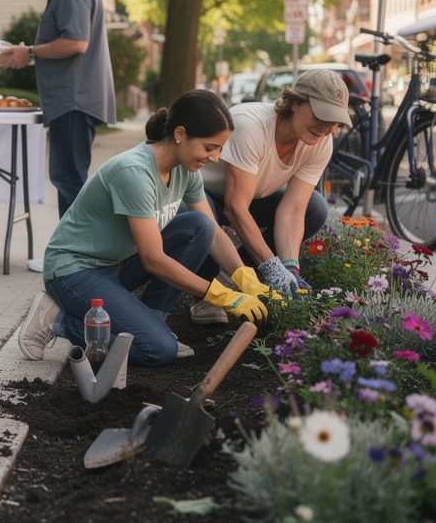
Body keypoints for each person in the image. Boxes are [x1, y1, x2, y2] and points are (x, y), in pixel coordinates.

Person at [17, 90, 274, 367]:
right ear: (180, 133)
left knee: (199, 226)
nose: (214, 158)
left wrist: (244, 278)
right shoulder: (134, 173)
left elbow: (212, 229)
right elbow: (153, 259)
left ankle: (152, 319)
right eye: (209, 147)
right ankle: (57, 321)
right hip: (75, 271)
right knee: (157, 350)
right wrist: (223, 296)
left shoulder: (186, 170)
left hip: (115, 264)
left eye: (220, 149)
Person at [191, 68, 348, 323]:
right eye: (322, 115)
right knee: (202, 223)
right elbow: (235, 207)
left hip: (251, 199)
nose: (327, 127)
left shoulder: (320, 141)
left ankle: (229, 277)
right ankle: (206, 289)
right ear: (295, 102)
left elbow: (293, 210)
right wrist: (270, 266)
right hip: (203, 197)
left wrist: (288, 267)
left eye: (336, 120)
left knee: (314, 208)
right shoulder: (250, 126)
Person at [3, 0, 115, 216]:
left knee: (68, 181)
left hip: (73, 100)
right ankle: (72, 253)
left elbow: (76, 42)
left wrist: (28, 52)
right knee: (70, 179)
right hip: (75, 99)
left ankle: (70, 256)